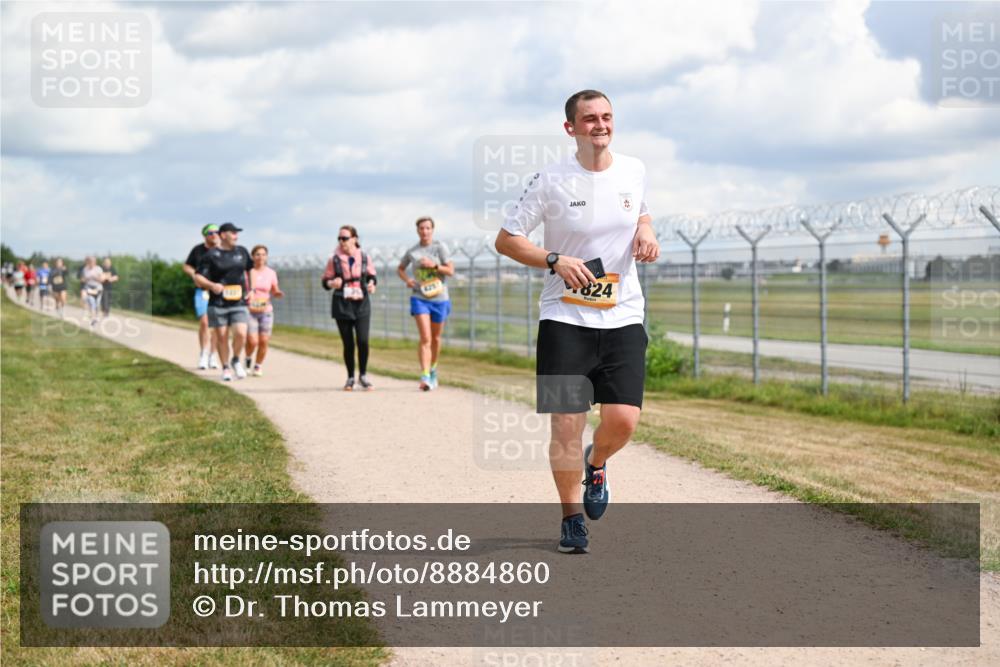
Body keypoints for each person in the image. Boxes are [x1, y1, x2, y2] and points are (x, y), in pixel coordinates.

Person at [495, 90, 660, 554]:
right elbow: (506, 241)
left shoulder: (634, 169)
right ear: (571, 128)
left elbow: (640, 210)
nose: (600, 125)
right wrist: (554, 259)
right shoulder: (550, 180)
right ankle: (572, 520)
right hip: (565, 319)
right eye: (589, 119)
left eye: (607, 117)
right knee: (566, 425)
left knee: (623, 421)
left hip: (623, 315)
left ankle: (598, 460)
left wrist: (646, 230)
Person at [397, 217, 454, 391]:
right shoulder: (412, 251)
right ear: (417, 230)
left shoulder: (439, 248)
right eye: (421, 228)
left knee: (436, 338)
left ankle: (433, 368)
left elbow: (450, 270)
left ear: (432, 230)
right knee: (425, 338)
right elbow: (400, 268)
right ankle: (425, 375)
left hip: (439, 298)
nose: (424, 231)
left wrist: (434, 265)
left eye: (428, 228)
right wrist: (408, 280)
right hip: (419, 297)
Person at [193, 222, 253, 382]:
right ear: (224, 235)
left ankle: (235, 359)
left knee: (241, 333)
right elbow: (198, 277)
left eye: (237, 233)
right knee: (221, 336)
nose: (236, 236)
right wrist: (212, 285)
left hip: (239, 301)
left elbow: (250, 269)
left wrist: (251, 289)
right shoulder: (211, 255)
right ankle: (225, 367)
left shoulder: (242, 252)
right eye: (233, 233)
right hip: (218, 303)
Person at [322, 226, 377, 390]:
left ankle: (364, 376)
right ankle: (350, 377)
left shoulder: (365, 257)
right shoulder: (334, 259)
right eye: (339, 238)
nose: (341, 241)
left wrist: (372, 283)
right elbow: (325, 281)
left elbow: (372, 276)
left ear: (355, 239)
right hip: (342, 304)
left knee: (363, 340)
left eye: (344, 238)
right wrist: (332, 283)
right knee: (348, 343)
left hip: (362, 303)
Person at [184, 224, 222, 370]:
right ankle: (204, 354)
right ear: (205, 235)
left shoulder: (222, 250)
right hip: (203, 291)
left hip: (219, 291)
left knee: (218, 325)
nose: (215, 235)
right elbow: (187, 266)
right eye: (211, 232)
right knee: (205, 323)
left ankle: (213, 354)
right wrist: (194, 274)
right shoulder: (198, 250)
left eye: (217, 232)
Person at [244, 245, 284, 377]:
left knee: (264, 340)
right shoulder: (248, 273)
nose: (260, 257)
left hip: (266, 309)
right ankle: (248, 357)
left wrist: (277, 292)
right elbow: (244, 289)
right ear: (252, 257)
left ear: (266, 257)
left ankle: (258, 365)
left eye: (263, 254)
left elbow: (274, 288)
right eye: (257, 254)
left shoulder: (271, 273)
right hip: (250, 310)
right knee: (252, 341)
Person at [79, 256, 105, 326]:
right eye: (90, 262)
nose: (91, 263)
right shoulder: (85, 269)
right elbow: (82, 279)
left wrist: (95, 277)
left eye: (92, 262)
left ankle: (97, 316)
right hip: (89, 287)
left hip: (97, 288)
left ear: (95, 262)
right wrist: (86, 279)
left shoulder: (99, 269)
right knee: (91, 302)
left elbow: (102, 279)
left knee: (97, 303)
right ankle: (93, 318)